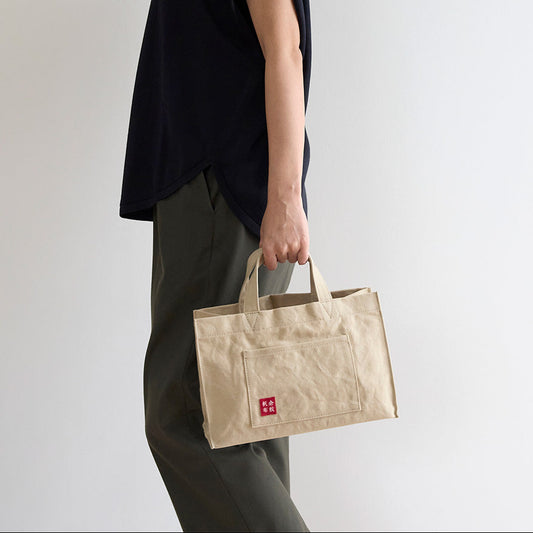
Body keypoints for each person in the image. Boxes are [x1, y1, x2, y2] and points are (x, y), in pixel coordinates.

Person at [119, 0, 312, 530]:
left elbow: (285, 49)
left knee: (190, 414)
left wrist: (285, 198)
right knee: (248, 418)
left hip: (221, 196)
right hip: (231, 194)